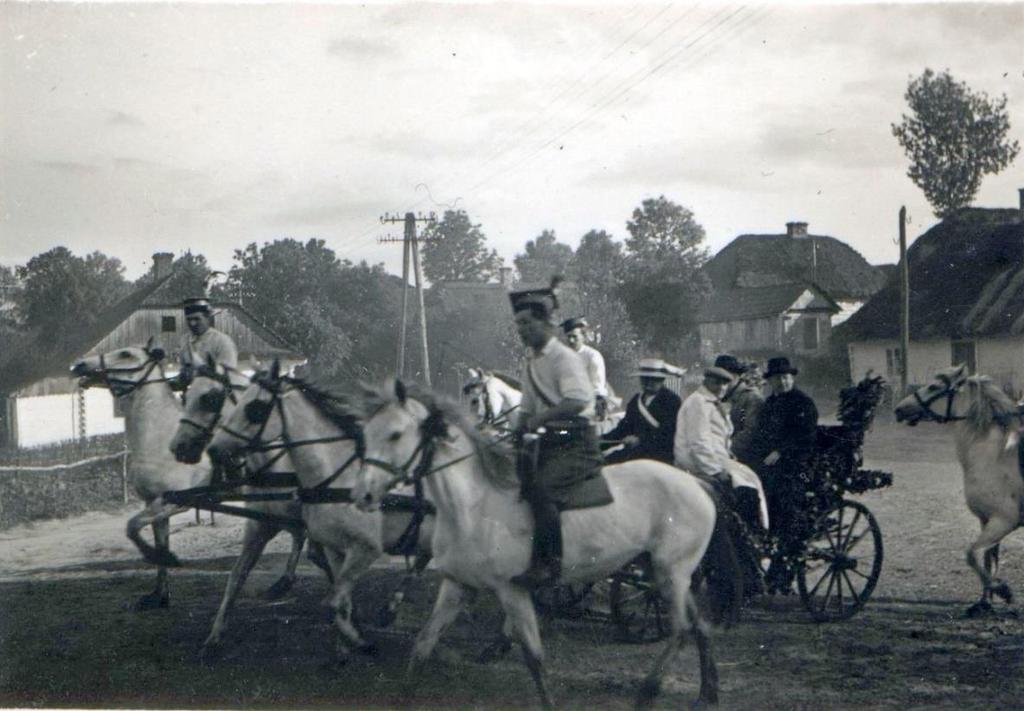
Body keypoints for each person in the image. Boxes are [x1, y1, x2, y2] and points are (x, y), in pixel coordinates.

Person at [511, 285, 600, 589]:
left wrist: (538, 419)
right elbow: (525, 407)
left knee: (543, 491)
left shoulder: (563, 358)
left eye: (527, 323)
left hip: (576, 443)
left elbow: (577, 401)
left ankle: (550, 564)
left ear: (546, 324)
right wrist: (517, 427)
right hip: (548, 442)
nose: (521, 330)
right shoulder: (531, 361)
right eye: (518, 325)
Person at [673, 359, 769, 531]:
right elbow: (698, 443)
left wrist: (728, 453)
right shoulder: (698, 403)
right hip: (697, 464)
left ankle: (752, 535)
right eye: (716, 383)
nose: (721, 388)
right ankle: (749, 535)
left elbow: (721, 436)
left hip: (716, 459)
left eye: (725, 384)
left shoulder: (712, 403)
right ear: (706, 382)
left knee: (752, 479)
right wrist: (715, 471)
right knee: (748, 491)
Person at [748, 356, 818, 588]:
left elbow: (806, 437)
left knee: (786, 509)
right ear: (771, 381)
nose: (783, 382)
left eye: (787, 377)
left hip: (795, 465)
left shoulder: (803, 403)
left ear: (792, 378)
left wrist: (781, 451)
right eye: (778, 378)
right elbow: (760, 435)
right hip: (769, 464)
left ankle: (784, 569)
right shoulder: (769, 404)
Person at [601, 358, 682, 464]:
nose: (648, 383)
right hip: (635, 452)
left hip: (660, 456)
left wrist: (640, 440)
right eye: (645, 379)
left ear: (662, 380)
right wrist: (600, 441)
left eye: (654, 379)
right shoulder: (636, 401)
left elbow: (668, 433)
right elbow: (623, 428)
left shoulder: (672, 401)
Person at [716, 355, 765, 468]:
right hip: (721, 456)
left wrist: (724, 450)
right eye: (719, 378)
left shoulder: (751, 397)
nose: (723, 382)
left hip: (744, 459)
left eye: (727, 377)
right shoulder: (720, 397)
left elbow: (750, 431)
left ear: (737, 376)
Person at [178, 297, 238, 388]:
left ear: (207, 318)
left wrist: (203, 370)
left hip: (217, 395)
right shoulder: (185, 341)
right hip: (192, 394)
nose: (192, 323)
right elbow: (183, 371)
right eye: (189, 320)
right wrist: (183, 375)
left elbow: (229, 376)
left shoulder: (222, 341)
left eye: (197, 319)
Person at [561, 317, 610, 420]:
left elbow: (598, 388)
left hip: (588, 407)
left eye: (575, 337)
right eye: (568, 337)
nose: (571, 340)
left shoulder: (592, 356)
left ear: (583, 336)